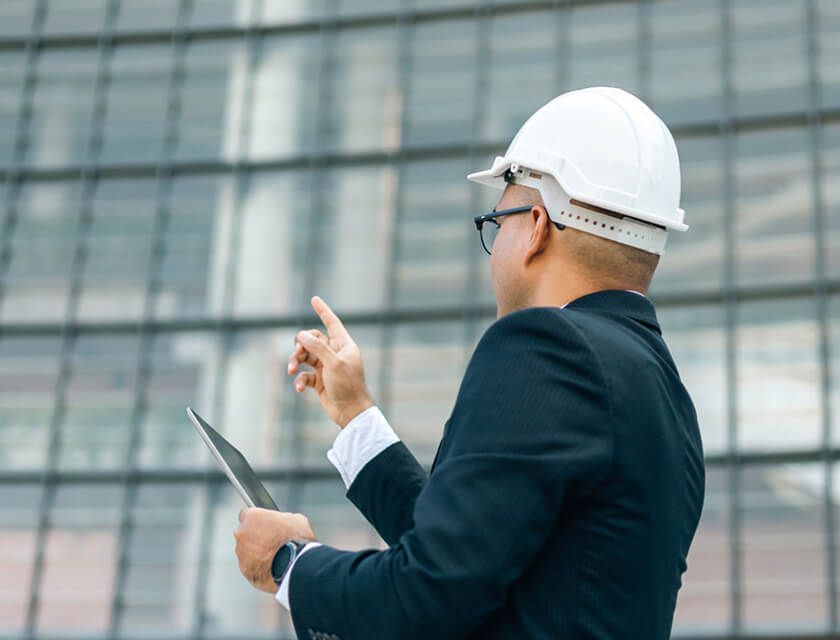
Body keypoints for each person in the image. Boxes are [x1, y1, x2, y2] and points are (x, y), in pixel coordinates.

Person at [233, 87, 705, 640]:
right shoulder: (665, 394)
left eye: (497, 220)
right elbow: (472, 558)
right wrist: (356, 416)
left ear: (535, 227)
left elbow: (426, 595)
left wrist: (290, 562)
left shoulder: (544, 345)